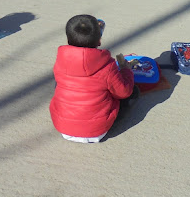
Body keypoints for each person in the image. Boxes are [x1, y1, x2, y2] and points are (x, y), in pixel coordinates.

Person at [49, 15, 138, 143]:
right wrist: (126, 70)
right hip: (97, 131)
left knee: (60, 84)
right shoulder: (108, 65)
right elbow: (123, 92)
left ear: (68, 39)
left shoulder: (60, 60)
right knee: (133, 91)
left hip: (63, 128)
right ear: (99, 41)